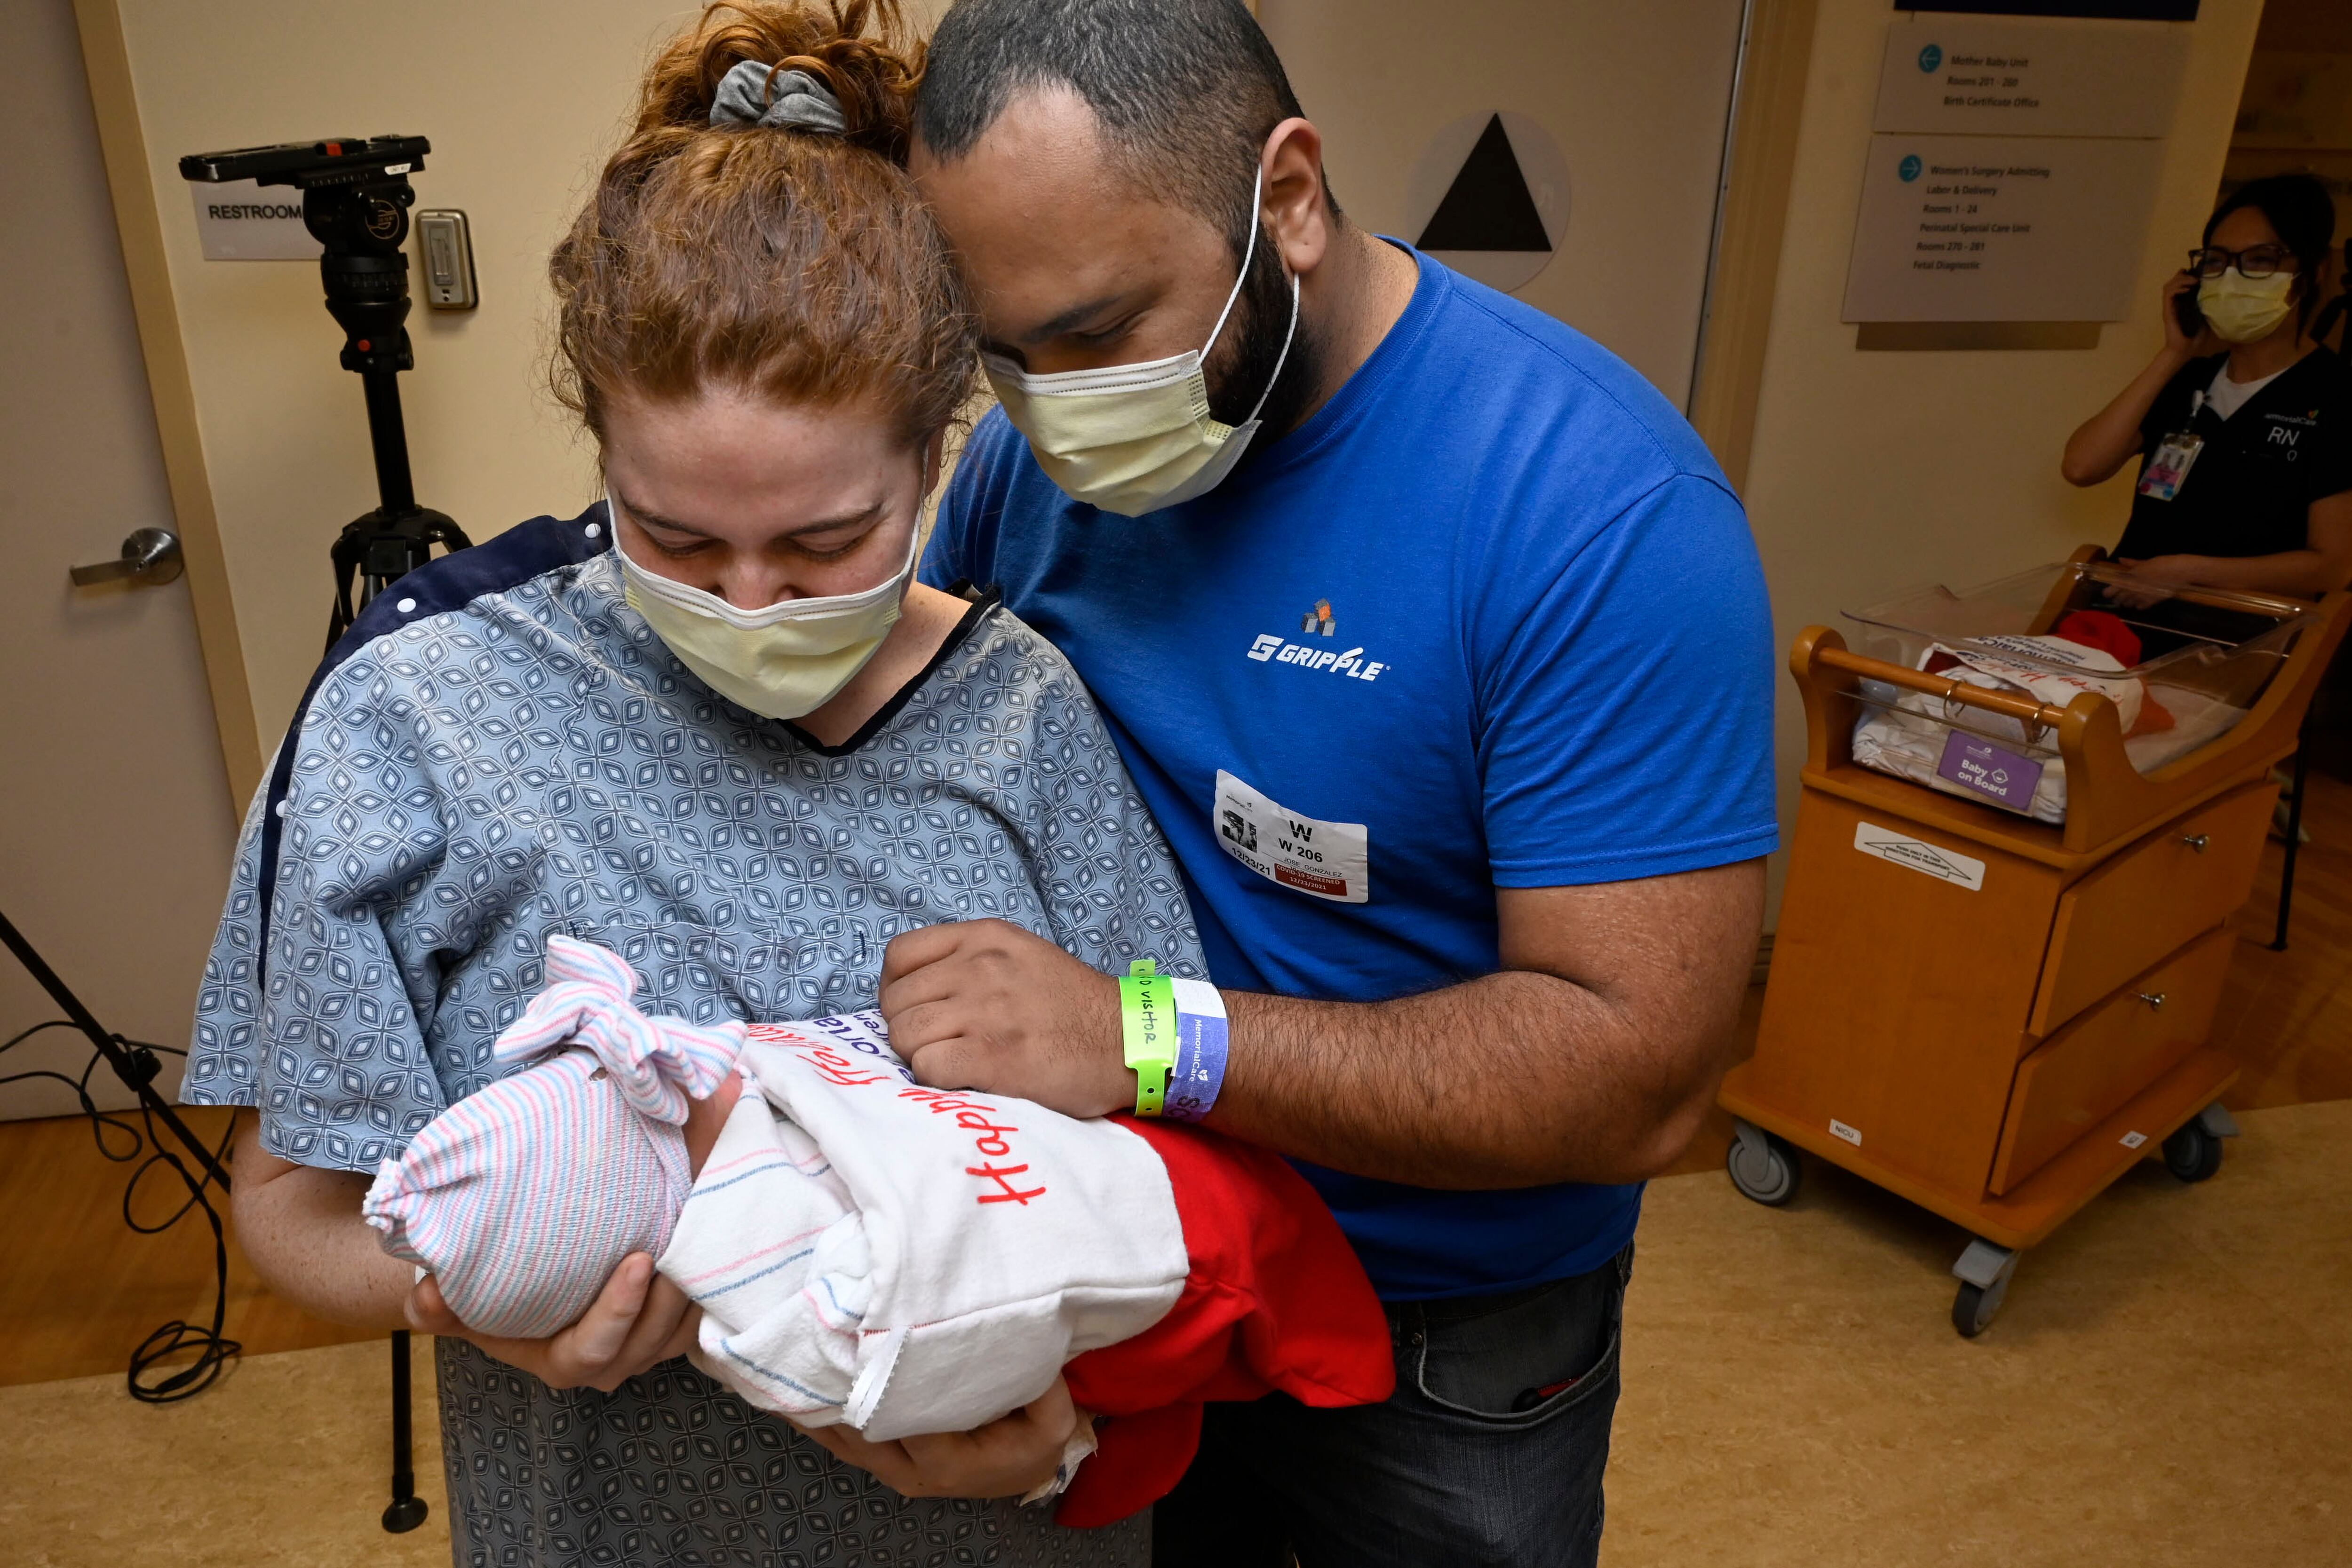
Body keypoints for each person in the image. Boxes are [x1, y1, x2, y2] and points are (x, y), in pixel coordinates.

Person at [184, 3, 1202, 1561]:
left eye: (822, 544)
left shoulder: (1027, 715)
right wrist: (458, 1302)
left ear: (940, 452)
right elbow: (286, 1209)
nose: (748, 601)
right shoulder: (422, 716)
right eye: (672, 536)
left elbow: (1179, 1143)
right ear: (597, 439)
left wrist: (1082, 1426)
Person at [862, 3, 1780, 1563]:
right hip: (1123, 1244)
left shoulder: (1597, 515)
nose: (1053, 411)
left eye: (1097, 333)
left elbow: (1641, 1074)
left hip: (1442, 1318)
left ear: (1287, 197)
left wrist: (1143, 1038)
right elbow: (918, 756)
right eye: (1004, 357)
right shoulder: (1034, 465)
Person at [2063, 174, 2352, 604]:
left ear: (2310, 274)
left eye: (2259, 261)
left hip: (2241, 638)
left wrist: (2190, 573)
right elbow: (2082, 467)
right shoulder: (2191, 378)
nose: (2231, 278)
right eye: (2216, 262)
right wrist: (2173, 354)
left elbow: (2333, 566)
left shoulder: (2336, 394)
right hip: (2127, 615)